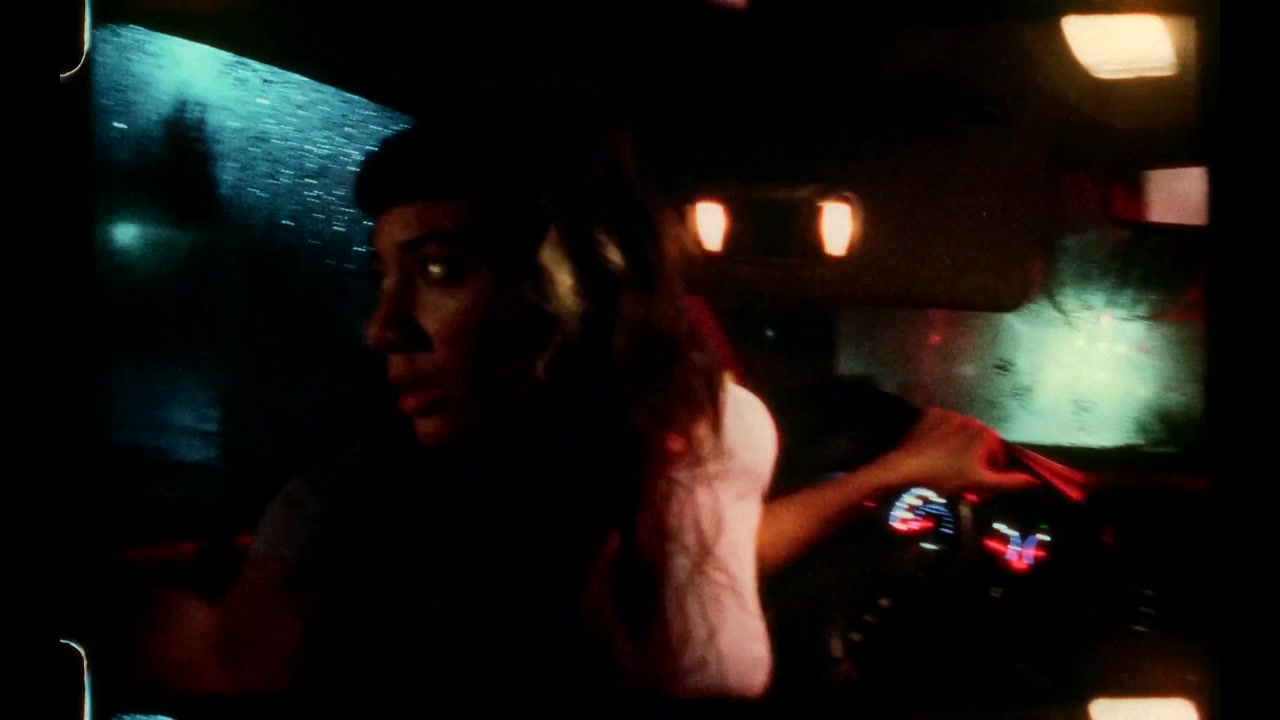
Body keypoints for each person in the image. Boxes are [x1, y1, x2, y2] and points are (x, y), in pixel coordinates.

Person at [127, 117, 777, 712]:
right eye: (382, 277)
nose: (382, 328)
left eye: (440, 271)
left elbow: (236, 664)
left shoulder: (375, 501)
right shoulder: (343, 492)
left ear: (571, 291)